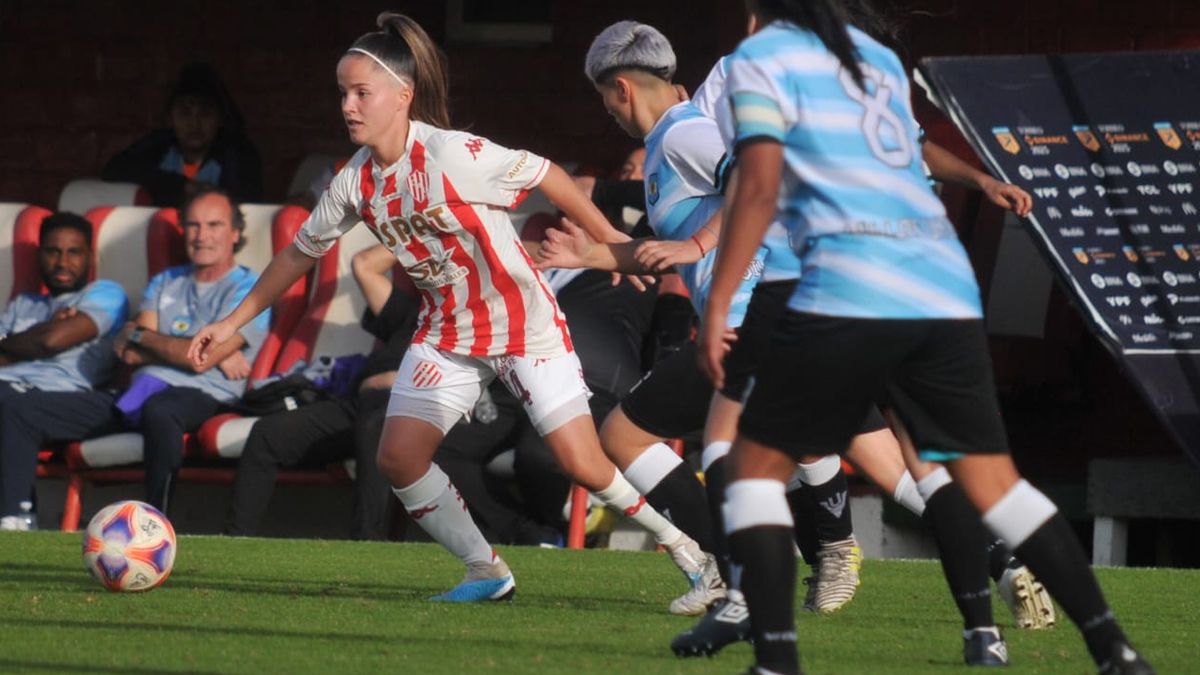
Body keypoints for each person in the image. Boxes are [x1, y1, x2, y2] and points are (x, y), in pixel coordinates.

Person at [187, 11, 710, 606]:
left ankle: (691, 553)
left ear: (403, 96)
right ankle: (485, 570)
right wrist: (230, 323)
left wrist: (613, 252)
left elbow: (552, 178)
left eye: (362, 93)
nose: (348, 106)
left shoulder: (452, 153)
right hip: (447, 333)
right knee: (398, 457)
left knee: (584, 464)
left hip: (522, 326)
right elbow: (296, 256)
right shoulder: (353, 182)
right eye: (343, 93)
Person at [698, 2, 1151, 674]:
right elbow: (911, 150)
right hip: (941, 282)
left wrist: (717, 306)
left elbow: (759, 186)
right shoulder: (875, 60)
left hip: (848, 281)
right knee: (995, 483)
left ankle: (776, 657)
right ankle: (1115, 649)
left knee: (750, 467)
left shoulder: (759, 60)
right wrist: (979, 178)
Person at [224, 244, 420, 540]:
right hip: (359, 404)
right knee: (267, 434)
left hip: (408, 413)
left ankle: (368, 544)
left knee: (375, 427)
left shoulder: (473, 324)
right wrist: (426, 232)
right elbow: (364, 263)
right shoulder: (412, 314)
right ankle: (234, 541)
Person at [105, 183, 270, 512]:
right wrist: (142, 339)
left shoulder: (250, 288)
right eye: (193, 225)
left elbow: (197, 361)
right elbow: (130, 352)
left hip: (207, 395)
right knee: (29, 406)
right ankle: (16, 517)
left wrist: (143, 336)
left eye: (214, 225)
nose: (201, 235)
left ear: (235, 233)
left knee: (162, 409)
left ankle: (155, 519)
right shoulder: (166, 281)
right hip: (141, 389)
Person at [0, 213, 129, 530]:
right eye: (53, 251)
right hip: (12, 392)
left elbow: (52, 341)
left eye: (74, 252)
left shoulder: (106, 294)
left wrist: (38, 338)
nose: (62, 262)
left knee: (16, 407)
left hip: (75, 399)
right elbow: (47, 338)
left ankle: (15, 519)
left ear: (90, 257)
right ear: (40, 254)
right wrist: (47, 329)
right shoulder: (23, 304)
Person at [104, 63, 264, 206]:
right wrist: (180, 186)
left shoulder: (236, 153)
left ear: (219, 119)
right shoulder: (160, 144)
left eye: (205, 113)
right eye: (185, 113)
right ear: (170, 118)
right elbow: (113, 170)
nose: (195, 123)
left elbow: (244, 200)